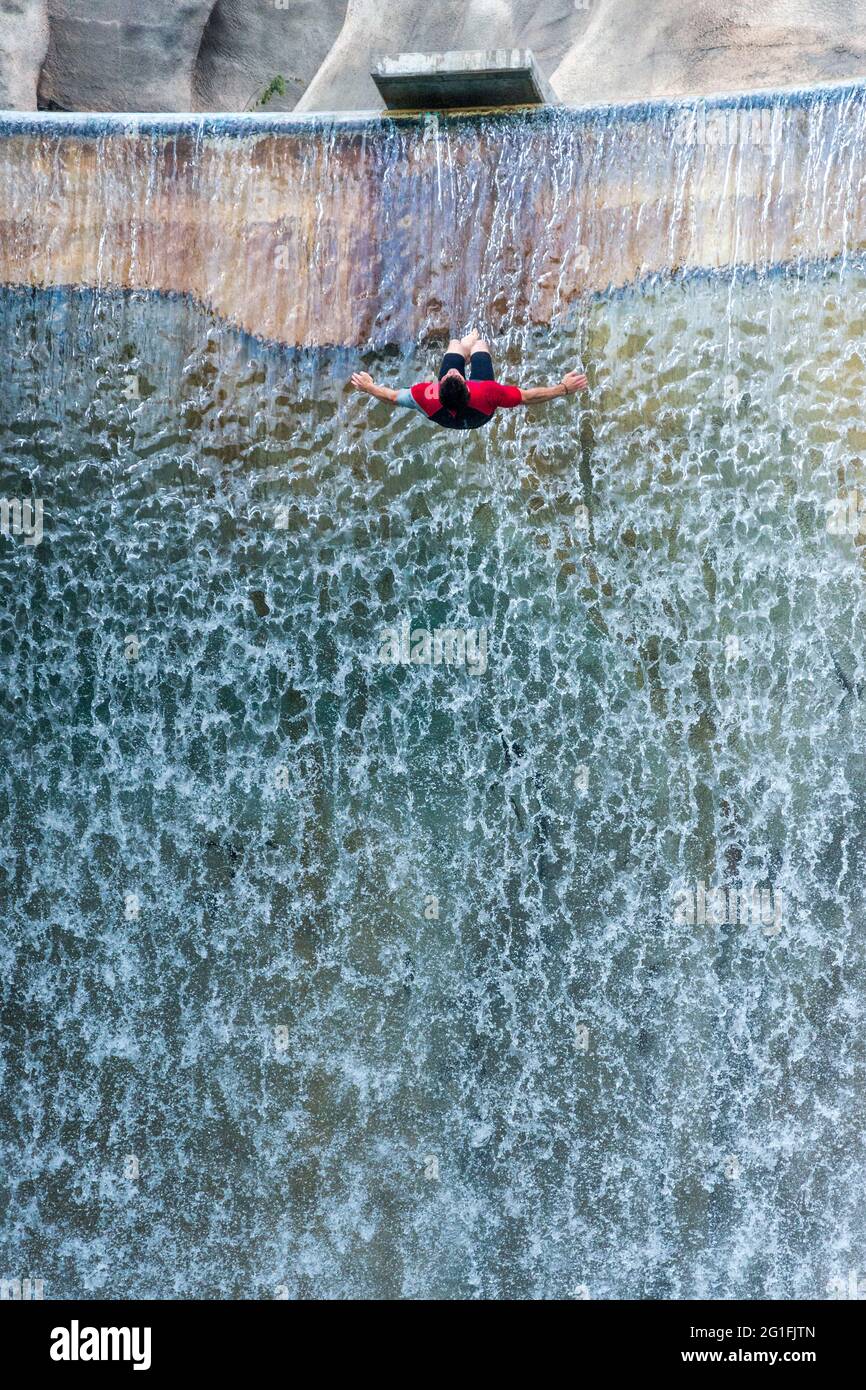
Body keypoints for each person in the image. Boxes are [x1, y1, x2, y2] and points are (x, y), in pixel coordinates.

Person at [350, 331, 588, 431]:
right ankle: (473, 342)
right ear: (467, 384)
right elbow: (528, 397)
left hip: (447, 417)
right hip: (480, 415)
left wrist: (368, 386)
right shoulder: (486, 391)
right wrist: (564, 388)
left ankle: (464, 343)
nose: (453, 373)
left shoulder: (426, 395)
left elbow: (392, 397)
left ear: (438, 386)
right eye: (455, 374)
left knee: (455, 345)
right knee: (479, 346)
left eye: (451, 374)